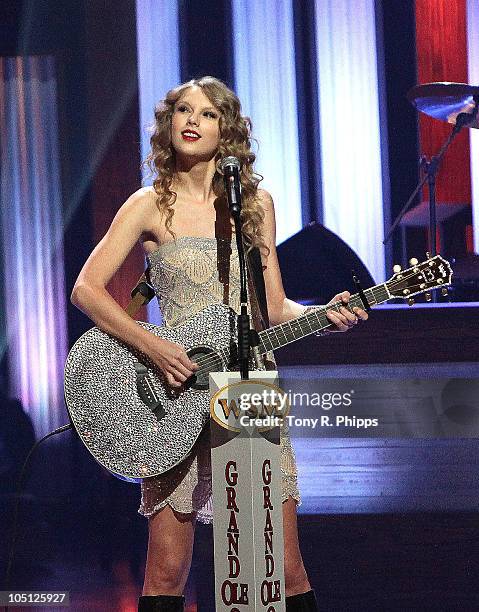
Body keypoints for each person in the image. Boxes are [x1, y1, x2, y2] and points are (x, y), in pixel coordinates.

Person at [71, 76, 368, 612]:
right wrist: (153, 347)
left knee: (280, 564)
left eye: (207, 114)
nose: (191, 120)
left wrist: (326, 314)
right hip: (175, 391)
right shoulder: (146, 205)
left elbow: (274, 310)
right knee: (166, 568)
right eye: (183, 110)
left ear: (226, 130)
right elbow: (87, 290)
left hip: (249, 386)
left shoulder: (254, 205)